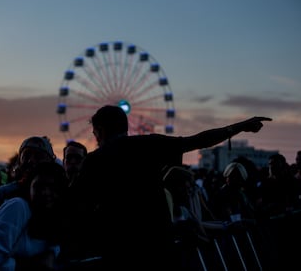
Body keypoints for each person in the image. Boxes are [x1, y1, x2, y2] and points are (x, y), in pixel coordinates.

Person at [61, 104, 272, 270]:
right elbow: (198, 140)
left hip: (120, 249)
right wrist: (240, 126)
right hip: (159, 243)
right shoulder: (150, 144)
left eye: (95, 132)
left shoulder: (95, 161)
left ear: (100, 130)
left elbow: (75, 205)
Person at [0, 161, 68, 270]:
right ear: (29, 187)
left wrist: (51, 253)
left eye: (52, 187)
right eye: (39, 186)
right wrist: (32, 265)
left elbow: (54, 246)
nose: (45, 192)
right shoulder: (18, 207)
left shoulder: (54, 215)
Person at [0, 136, 59, 216]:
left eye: (38, 156)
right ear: (19, 161)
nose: (31, 160)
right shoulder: (3, 193)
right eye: (26, 155)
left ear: (51, 161)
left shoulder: (60, 191)